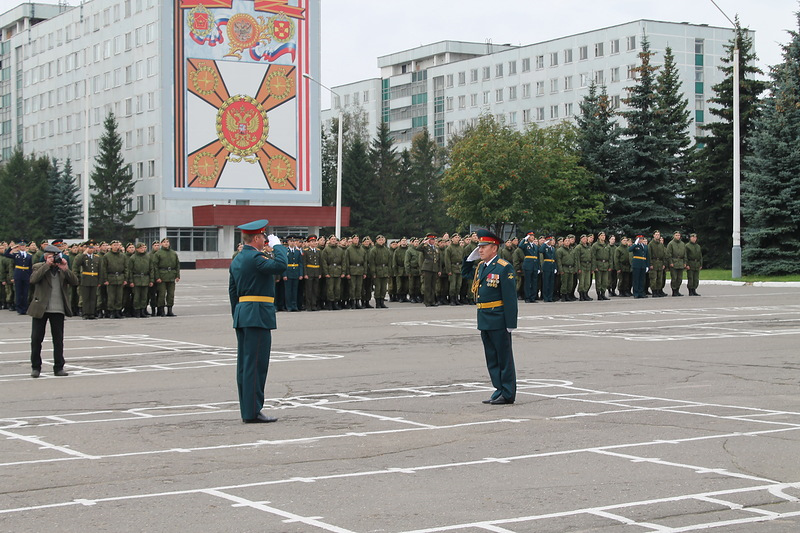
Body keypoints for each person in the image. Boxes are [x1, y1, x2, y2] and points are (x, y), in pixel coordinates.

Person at [228, 220, 287, 424]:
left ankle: (248, 409)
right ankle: (253, 411)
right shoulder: (256, 257)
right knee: (256, 364)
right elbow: (281, 265)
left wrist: (238, 314)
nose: (265, 240)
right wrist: (278, 246)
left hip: (244, 313)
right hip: (258, 315)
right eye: (263, 237)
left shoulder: (237, 259)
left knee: (245, 365)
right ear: (255, 238)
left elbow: (233, 292)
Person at [462, 229, 518, 405]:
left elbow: (510, 298)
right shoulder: (481, 267)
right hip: (484, 318)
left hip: (499, 318)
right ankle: (499, 389)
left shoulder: (503, 267)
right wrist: (469, 259)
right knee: (492, 357)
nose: (480, 250)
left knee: (504, 358)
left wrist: (510, 323)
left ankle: (508, 393)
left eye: (483, 246)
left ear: (494, 248)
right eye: (479, 247)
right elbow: (465, 273)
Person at [28, 245, 79, 378]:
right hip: (41, 308)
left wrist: (66, 269)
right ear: (45, 256)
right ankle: (35, 367)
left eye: (56, 255)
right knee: (36, 339)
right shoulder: (38, 266)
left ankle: (59, 367)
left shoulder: (62, 269)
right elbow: (33, 279)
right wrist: (47, 265)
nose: (55, 258)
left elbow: (75, 282)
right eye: (51, 256)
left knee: (58, 340)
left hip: (58, 308)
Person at [72, 240, 102, 319]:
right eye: (89, 248)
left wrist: (99, 281)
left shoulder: (97, 258)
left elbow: (100, 270)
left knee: (93, 297)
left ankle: (92, 313)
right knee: (86, 298)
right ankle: (85, 313)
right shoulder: (82, 257)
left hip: (94, 279)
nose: (91, 250)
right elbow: (77, 264)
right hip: (85, 279)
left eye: (92, 248)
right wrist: (83, 254)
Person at [4, 240, 34, 314]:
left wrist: (30, 276)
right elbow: (6, 254)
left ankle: (25, 308)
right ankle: (19, 308)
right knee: (18, 292)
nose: (22, 247)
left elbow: (30, 267)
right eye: (21, 246)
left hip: (26, 274)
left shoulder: (29, 255)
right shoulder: (16, 255)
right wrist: (12, 247)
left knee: (25, 292)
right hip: (18, 274)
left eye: (24, 246)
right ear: (19, 247)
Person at [153, 238, 181, 316]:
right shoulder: (158, 253)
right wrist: (157, 277)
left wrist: (177, 275)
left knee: (171, 294)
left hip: (171, 275)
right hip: (162, 276)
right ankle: (161, 310)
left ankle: (170, 310)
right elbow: (155, 266)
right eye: (164, 242)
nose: (166, 243)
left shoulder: (173, 253)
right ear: (161, 244)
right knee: (162, 294)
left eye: (167, 242)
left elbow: (177, 265)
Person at [416, 233, 441, 307]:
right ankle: (427, 301)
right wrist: (424, 242)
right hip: (427, 268)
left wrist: (439, 270)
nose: (432, 241)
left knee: (433, 286)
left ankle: (432, 301)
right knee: (427, 286)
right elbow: (418, 248)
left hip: (434, 268)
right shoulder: (425, 247)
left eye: (433, 239)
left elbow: (439, 260)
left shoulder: (436, 248)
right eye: (431, 239)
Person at [666, 230, 687, 297]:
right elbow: (669, 254)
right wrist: (670, 262)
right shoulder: (671, 244)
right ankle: (674, 291)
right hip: (674, 262)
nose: (678, 237)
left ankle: (677, 290)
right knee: (674, 278)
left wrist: (685, 262)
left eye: (679, 235)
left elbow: (685, 254)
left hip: (680, 262)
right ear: (674, 236)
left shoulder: (682, 244)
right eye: (676, 235)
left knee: (679, 278)